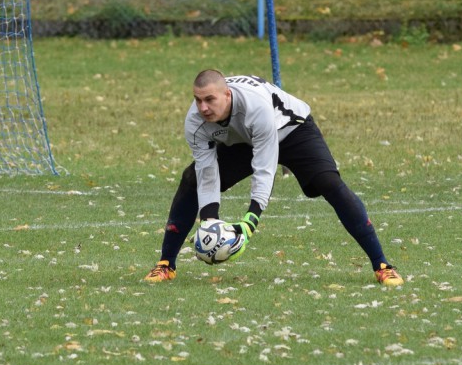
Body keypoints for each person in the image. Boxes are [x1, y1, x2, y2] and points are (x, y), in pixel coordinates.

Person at [143, 69, 404, 287]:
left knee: (329, 183)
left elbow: (264, 168)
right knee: (191, 179)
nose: (203, 108)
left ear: (227, 94)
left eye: (210, 100)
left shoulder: (255, 107)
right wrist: (210, 221)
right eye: (198, 100)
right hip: (242, 140)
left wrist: (250, 221)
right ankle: (166, 264)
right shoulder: (195, 121)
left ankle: (382, 264)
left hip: (292, 130)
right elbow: (207, 171)